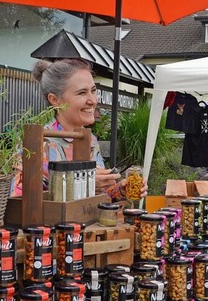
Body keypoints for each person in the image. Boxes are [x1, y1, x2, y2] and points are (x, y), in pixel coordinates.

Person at [11, 59, 147, 200]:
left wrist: (119, 191)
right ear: (55, 100)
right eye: (82, 93)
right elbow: (18, 201)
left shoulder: (90, 140)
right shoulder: (36, 145)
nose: (93, 100)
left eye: (93, 91)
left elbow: (95, 196)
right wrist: (83, 184)